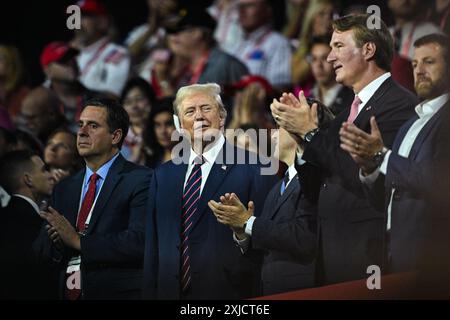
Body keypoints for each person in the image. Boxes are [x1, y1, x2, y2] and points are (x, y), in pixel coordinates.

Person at [270, 14, 418, 285]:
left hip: (367, 255)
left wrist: (310, 132)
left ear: (368, 49)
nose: (329, 57)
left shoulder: (399, 105)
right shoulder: (344, 114)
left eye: (338, 46)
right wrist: (302, 140)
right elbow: (317, 187)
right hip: (331, 254)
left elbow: (362, 174)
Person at [142, 83, 277, 299]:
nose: (198, 117)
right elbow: (153, 250)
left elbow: (269, 242)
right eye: (190, 111)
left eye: (206, 108)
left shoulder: (257, 168)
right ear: (179, 124)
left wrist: (242, 233)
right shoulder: (162, 175)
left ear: (222, 117)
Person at [339, 34, 450, 294]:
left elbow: (439, 180)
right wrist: (369, 168)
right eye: (414, 64)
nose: (419, 70)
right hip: (391, 251)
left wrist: (382, 156)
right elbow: (388, 191)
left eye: (429, 62)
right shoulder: (411, 123)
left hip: (430, 254)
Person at [209, 99, 334, 295]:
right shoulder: (277, 187)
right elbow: (266, 249)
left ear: (298, 129)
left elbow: (305, 237)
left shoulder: (319, 179)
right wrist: (242, 233)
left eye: (279, 127)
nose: (272, 134)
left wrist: (249, 222)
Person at [34, 97, 152, 300]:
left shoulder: (141, 179)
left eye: (93, 125)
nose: (81, 132)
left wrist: (78, 241)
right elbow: (42, 249)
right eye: (80, 124)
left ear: (115, 136)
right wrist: (58, 242)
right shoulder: (64, 188)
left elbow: (139, 241)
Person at [0, 150, 56, 299]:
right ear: (28, 179)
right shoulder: (34, 225)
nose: (51, 176)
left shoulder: (7, 217)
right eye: (44, 170)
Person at [227, 0, 292, 89]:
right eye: (240, 7)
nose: (242, 11)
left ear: (267, 10)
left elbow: (281, 88)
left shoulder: (279, 44)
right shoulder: (236, 45)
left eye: (249, 6)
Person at [72, 0, 130, 97]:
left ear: (102, 22)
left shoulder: (117, 53)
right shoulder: (71, 55)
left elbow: (112, 96)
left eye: (84, 16)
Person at [308, 36, 354, 115]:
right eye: (314, 59)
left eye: (324, 58)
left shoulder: (352, 98)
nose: (319, 65)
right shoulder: (307, 98)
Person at [120, 77, 157, 163]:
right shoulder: (116, 141)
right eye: (128, 102)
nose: (134, 106)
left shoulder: (162, 135)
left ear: (151, 101)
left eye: (139, 99)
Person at [143, 97, 177, 168]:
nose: (163, 131)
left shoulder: (193, 160)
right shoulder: (151, 161)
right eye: (158, 125)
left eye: (169, 124)